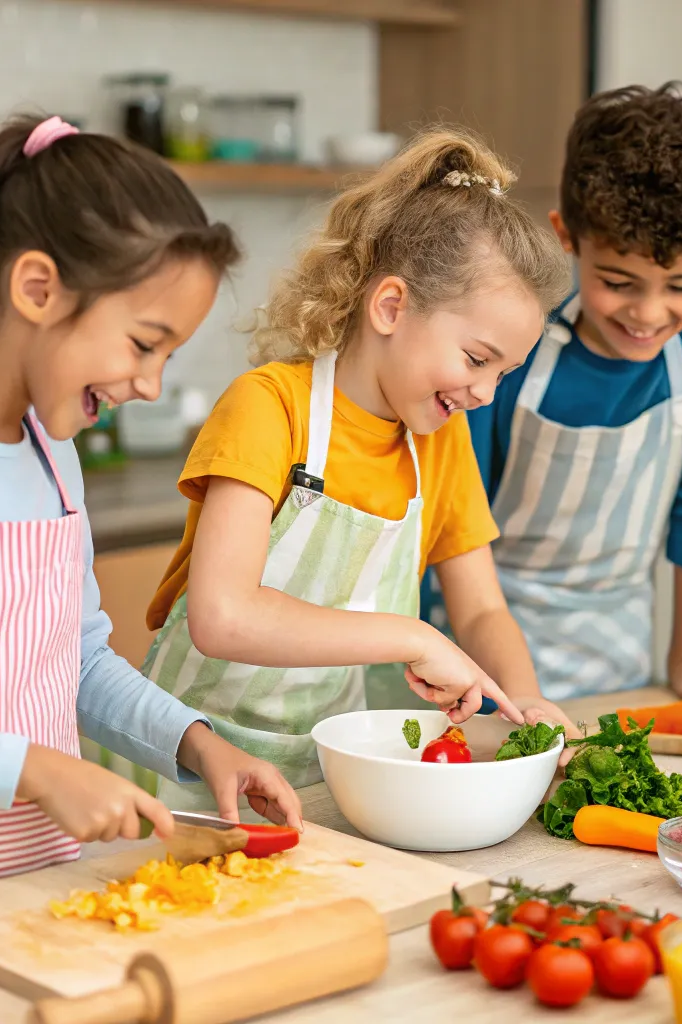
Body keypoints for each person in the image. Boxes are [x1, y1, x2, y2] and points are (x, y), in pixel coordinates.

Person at [0, 115, 301, 911]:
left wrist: (200, 747)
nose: (151, 385)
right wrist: (34, 769)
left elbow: (80, 663)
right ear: (37, 288)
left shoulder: (53, 455)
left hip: (45, 888)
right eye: (142, 343)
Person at [143, 129, 580, 813]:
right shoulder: (268, 408)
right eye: (475, 359)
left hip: (320, 774)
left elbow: (483, 605)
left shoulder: (437, 439)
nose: (486, 393)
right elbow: (222, 617)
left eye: (505, 372)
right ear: (390, 307)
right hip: (184, 769)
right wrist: (413, 636)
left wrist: (523, 702)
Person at [445, 83, 682, 702]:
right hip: (471, 657)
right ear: (567, 236)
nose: (649, 313)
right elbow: (457, 521)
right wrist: (513, 698)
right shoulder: (511, 340)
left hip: (621, 666)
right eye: (619, 282)